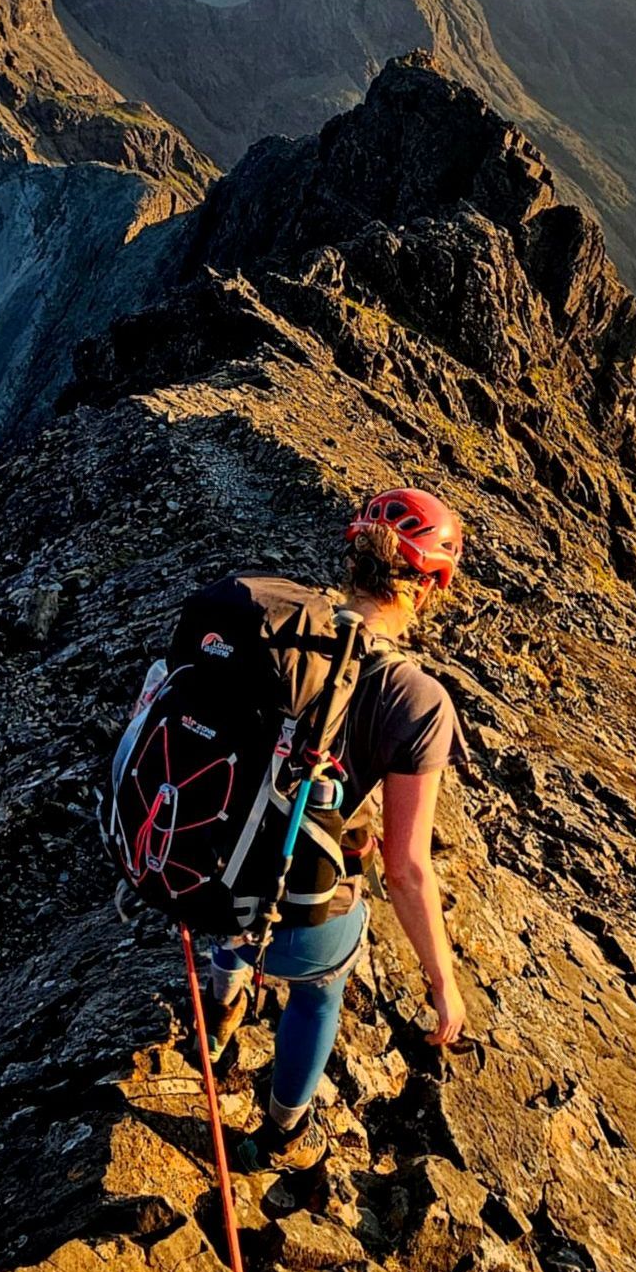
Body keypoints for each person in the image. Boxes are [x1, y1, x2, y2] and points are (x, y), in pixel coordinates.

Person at [209, 487, 471, 1171]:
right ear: (431, 584)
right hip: (302, 923)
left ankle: (223, 1001)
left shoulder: (273, 624)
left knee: (246, 874)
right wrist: (442, 983)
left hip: (208, 879)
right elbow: (406, 868)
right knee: (322, 987)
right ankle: (282, 1133)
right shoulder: (418, 701)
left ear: (355, 555)